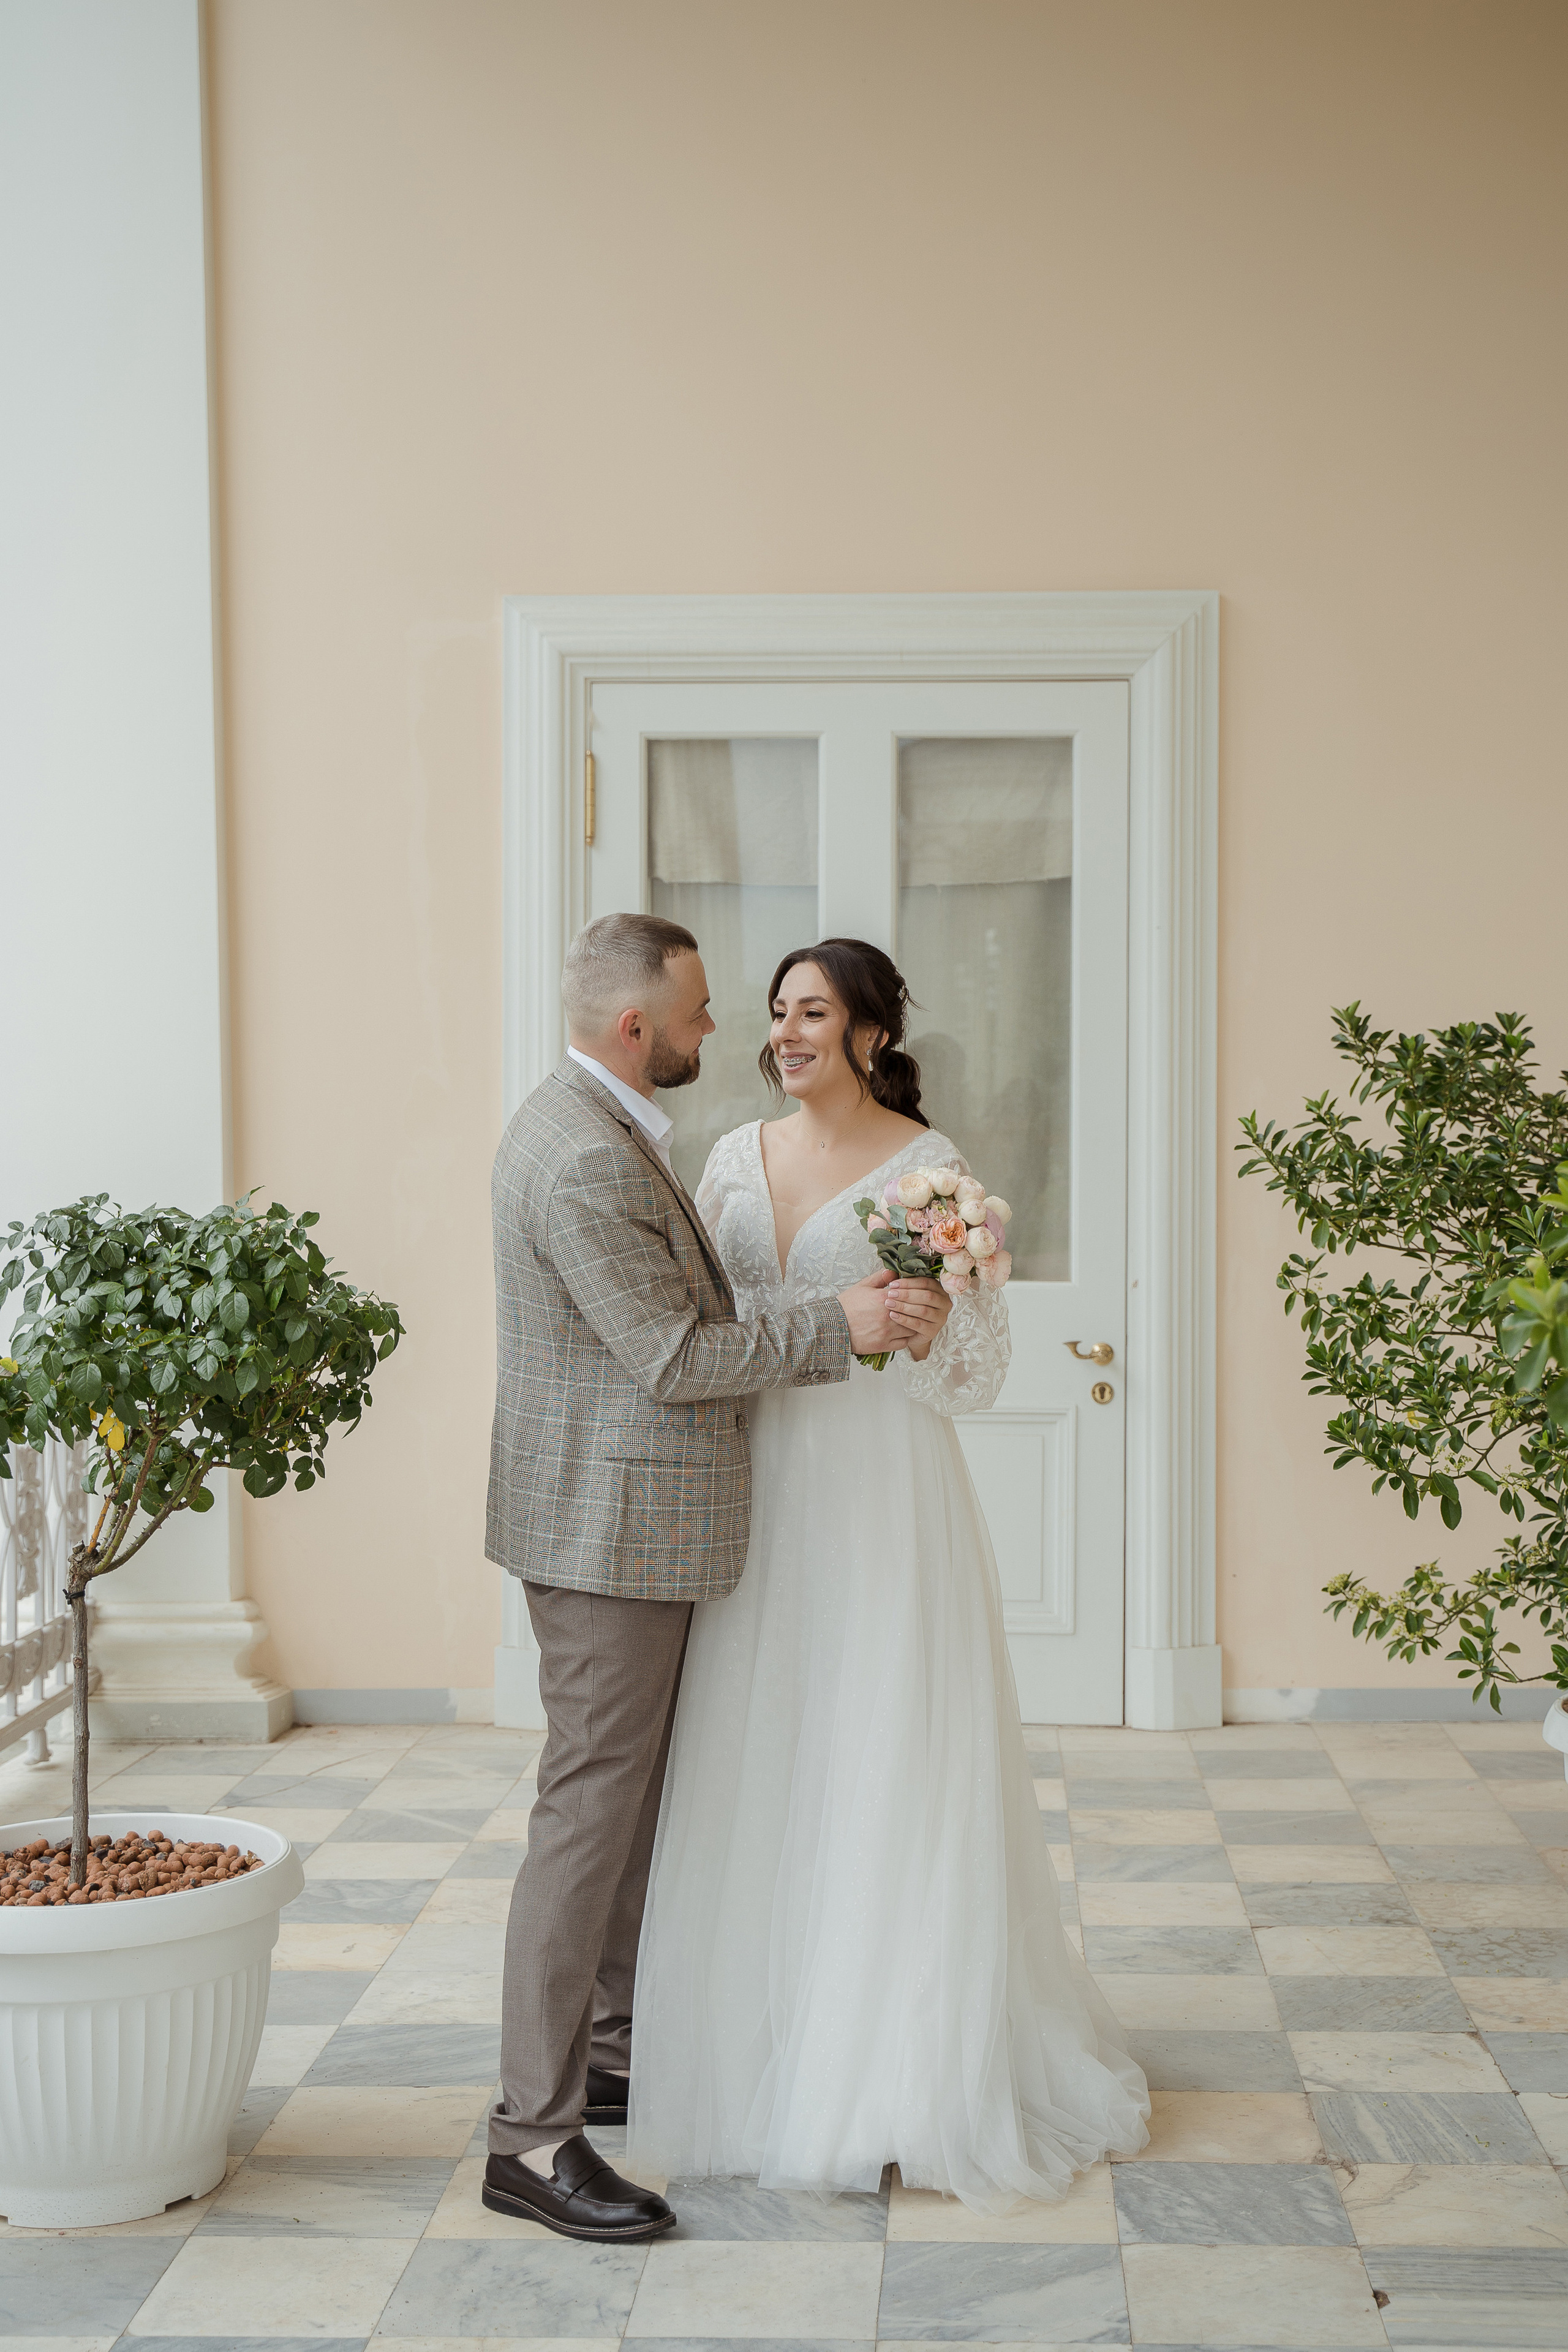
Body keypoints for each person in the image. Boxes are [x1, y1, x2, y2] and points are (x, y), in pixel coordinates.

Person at [627, 937, 1150, 2212]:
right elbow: (696, 1325)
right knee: (760, 1751)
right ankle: (758, 2059)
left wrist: (926, 1329)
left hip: (877, 1491)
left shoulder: (929, 1172)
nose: (785, 1033)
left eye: (813, 1012)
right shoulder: (729, 1159)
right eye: (775, 1013)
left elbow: (976, 1374)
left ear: (869, 1032)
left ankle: (893, 2076)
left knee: (879, 1752)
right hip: (754, 1483)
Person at [482, 913, 948, 2244]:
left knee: (629, 1811)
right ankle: (533, 2138)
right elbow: (673, 1356)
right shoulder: (586, 1156)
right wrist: (842, 1323)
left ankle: (610, 2052)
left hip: (630, 1521)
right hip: (607, 1533)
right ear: (638, 1026)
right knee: (588, 1819)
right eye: (697, 1011)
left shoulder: (603, 1126)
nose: (719, 1031)